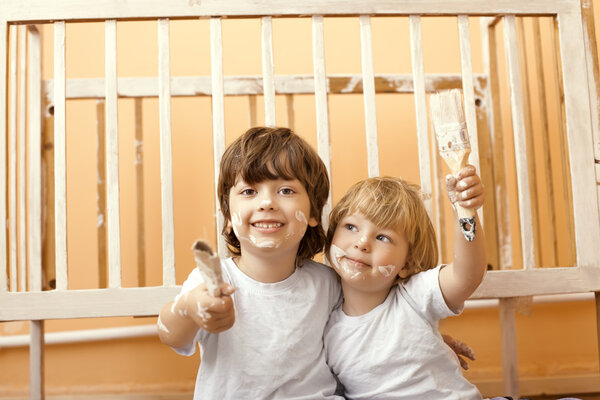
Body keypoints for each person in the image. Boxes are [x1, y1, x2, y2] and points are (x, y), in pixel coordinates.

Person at [157, 127, 343, 399]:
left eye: (286, 190)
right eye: (248, 192)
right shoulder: (213, 282)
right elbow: (171, 336)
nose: (266, 202)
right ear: (229, 216)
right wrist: (189, 308)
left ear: (314, 212)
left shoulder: (328, 284)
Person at [323, 169, 486, 399]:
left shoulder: (414, 296)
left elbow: (466, 275)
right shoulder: (327, 332)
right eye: (351, 227)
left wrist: (464, 210)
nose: (362, 243)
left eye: (382, 238)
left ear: (406, 264)